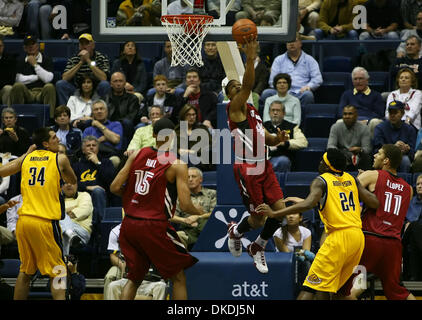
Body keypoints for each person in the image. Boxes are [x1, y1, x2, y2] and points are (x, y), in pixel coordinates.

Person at [256, 148, 380, 299]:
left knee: (310, 287)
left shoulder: (320, 181)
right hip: (357, 239)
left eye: (323, 160)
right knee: (337, 291)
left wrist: (275, 213)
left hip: (338, 239)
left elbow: (308, 204)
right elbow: (374, 202)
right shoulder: (352, 179)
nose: (320, 162)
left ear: (328, 166)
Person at [110, 117, 206, 300]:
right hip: (153, 226)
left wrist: (137, 198)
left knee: (134, 278)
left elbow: (114, 187)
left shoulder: (137, 154)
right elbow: (185, 205)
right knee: (178, 277)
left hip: (129, 224)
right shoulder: (177, 164)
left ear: (153, 135)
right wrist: (199, 212)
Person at [224, 37, 289, 274]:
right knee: (260, 219)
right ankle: (236, 231)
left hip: (265, 164)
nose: (238, 88)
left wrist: (278, 139)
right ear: (230, 95)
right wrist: (250, 58)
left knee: (279, 211)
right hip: (248, 169)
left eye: (237, 85)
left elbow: (266, 138)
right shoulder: (234, 108)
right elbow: (248, 87)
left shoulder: (252, 110)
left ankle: (258, 246)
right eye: (233, 88)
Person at [0, 127, 77, 300]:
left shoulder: (26, 158)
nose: (58, 140)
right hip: (45, 222)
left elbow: (3, 171)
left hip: (24, 221)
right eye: (54, 138)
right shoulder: (61, 159)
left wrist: (25, 155)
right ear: (45, 143)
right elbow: (72, 180)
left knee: (26, 270)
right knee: (59, 269)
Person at [341, 144, 416, 300]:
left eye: (379, 153)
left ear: (386, 160)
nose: (375, 155)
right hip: (393, 247)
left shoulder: (372, 175)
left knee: (349, 292)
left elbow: (344, 190)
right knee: (397, 292)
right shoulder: (408, 188)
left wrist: (363, 180)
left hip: (371, 242)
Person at [264, 34, 323, 112]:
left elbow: (318, 79)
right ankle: (274, 121)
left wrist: (309, 86)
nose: (291, 43)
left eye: (294, 41)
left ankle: (300, 121)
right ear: (286, 44)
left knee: (308, 95)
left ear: (300, 43)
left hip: (300, 92)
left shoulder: (310, 60)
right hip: (281, 92)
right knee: (266, 93)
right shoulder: (278, 60)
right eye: (289, 41)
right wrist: (281, 89)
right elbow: (272, 81)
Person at [9, 33, 56, 118]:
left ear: (37, 46)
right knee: (17, 86)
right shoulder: (20, 60)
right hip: (27, 92)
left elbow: (48, 79)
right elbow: (18, 79)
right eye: (28, 45)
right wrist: (39, 76)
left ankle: (50, 120)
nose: (31, 47)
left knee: (50, 87)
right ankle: (17, 119)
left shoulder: (46, 59)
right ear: (24, 48)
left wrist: (35, 65)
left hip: (42, 92)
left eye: (33, 44)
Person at [56, 33, 110, 106]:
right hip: (78, 89)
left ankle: (102, 111)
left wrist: (88, 60)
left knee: (105, 84)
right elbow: (65, 78)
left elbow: (104, 78)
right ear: (79, 46)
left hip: (96, 89)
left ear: (93, 45)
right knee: (60, 84)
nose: (84, 46)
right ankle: (66, 113)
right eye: (82, 43)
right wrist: (81, 62)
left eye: (87, 43)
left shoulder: (101, 58)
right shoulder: (74, 59)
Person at [170, 167, 216, 250]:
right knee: (176, 236)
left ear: (200, 179)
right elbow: (171, 216)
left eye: (193, 176)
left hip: (208, 230)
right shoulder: (181, 197)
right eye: (188, 177)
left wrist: (199, 216)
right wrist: (185, 220)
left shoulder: (212, 193)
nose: (190, 179)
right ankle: (183, 260)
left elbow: (216, 213)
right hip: (188, 231)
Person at [72, 136, 117, 221]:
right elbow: (72, 184)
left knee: (97, 192)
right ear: (83, 150)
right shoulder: (77, 165)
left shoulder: (106, 162)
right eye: (88, 145)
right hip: (82, 196)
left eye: (94, 145)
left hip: (101, 197)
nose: (91, 147)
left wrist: (98, 163)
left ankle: (101, 227)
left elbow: (111, 181)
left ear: (98, 148)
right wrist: (88, 187)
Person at [273, 211, 314, 296]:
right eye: (288, 214)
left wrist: (306, 254)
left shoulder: (306, 232)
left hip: (301, 263)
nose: (290, 216)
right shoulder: (278, 234)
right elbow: (288, 254)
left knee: (307, 263)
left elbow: (306, 255)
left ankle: (309, 289)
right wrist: (305, 253)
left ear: (300, 218)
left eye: (294, 214)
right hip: (284, 263)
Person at [263, 101, 308, 172]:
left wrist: (284, 143)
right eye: (273, 110)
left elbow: (303, 142)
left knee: (282, 161)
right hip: (263, 159)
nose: (275, 113)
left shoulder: (292, 127)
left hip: (282, 159)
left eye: (278, 110)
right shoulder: (262, 126)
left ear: (284, 113)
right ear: (269, 113)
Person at [373, 100, 417, 173]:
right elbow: (376, 148)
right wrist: (394, 148)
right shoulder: (380, 128)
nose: (392, 115)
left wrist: (407, 149)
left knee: (405, 160)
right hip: (384, 156)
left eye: (395, 112)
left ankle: (402, 182)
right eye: (390, 112)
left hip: (402, 157)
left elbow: (413, 152)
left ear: (402, 113)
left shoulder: (410, 129)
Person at [327, 105, 373, 171]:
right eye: (345, 114)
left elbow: (367, 149)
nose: (347, 116)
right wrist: (339, 154)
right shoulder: (335, 127)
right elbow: (330, 146)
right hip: (341, 156)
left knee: (367, 157)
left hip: (358, 156)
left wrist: (360, 150)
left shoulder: (364, 128)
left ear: (356, 115)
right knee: (330, 154)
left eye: (350, 114)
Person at [82, 100, 123, 167]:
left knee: (115, 160)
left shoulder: (116, 125)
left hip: (111, 155)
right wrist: (102, 139)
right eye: (96, 109)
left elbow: (115, 140)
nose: (99, 111)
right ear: (93, 113)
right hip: (93, 156)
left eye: (101, 109)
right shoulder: (88, 130)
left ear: (106, 111)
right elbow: (86, 148)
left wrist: (98, 125)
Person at [174, 104, 214, 172]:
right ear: (183, 116)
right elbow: (172, 147)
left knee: (189, 158)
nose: (191, 117)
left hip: (201, 160)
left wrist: (192, 152)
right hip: (181, 159)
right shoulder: (177, 130)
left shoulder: (202, 129)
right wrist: (178, 150)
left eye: (193, 114)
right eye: (188, 115)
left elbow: (210, 147)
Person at [104, 71, 140, 145]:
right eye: (115, 81)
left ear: (125, 83)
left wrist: (117, 124)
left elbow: (131, 117)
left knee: (127, 122)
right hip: (109, 125)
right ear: (111, 84)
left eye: (120, 81)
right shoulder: (105, 98)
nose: (118, 84)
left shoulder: (132, 98)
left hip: (125, 126)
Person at [60, 181, 93, 256]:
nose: (69, 184)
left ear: (77, 185)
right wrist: (73, 208)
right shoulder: (57, 199)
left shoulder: (84, 195)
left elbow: (84, 211)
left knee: (60, 218)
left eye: (72, 182)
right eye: (65, 183)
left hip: (80, 231)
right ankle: (70, 234)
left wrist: (62, 212)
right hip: (62, 231)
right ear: (61, 186)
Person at [402, 174, 422, 280]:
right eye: (418, 184)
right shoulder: (409, 203)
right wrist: (406, 225)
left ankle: (413, 277)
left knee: (415, 242)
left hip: (416, 240)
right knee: (413, 225)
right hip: (407, 235)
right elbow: (401, 220)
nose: (419, 186)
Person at [0, 36, 16, 106]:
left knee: (8, 88)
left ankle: (8, 114)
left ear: (3, 47)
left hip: (2, 89)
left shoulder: (9, 59)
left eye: (0, 46)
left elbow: (10, 80)